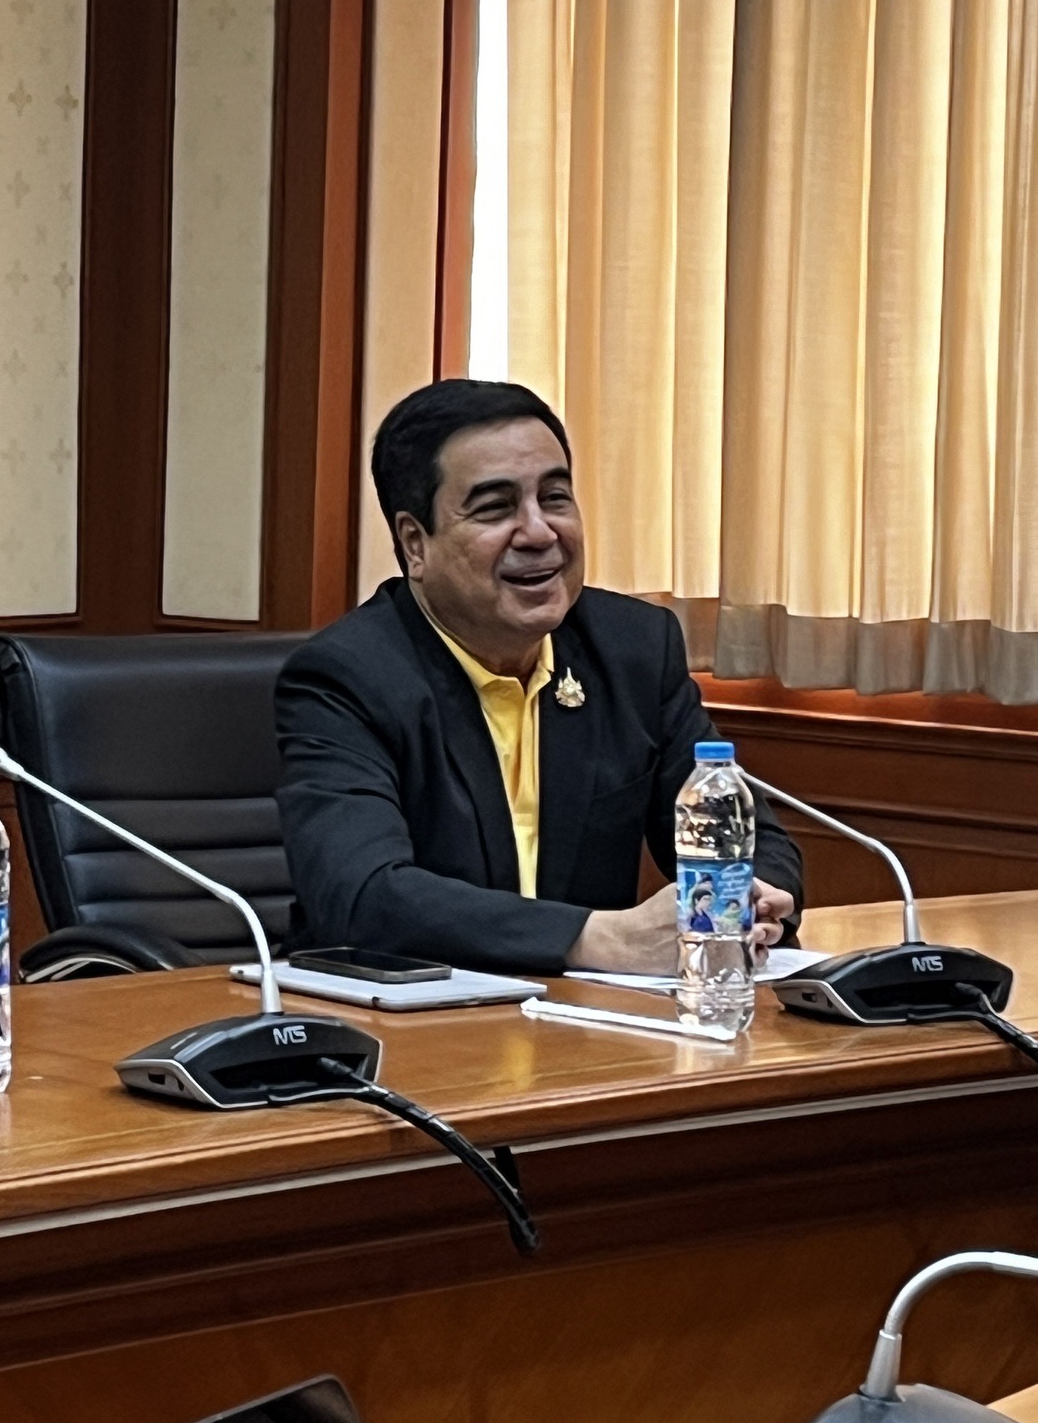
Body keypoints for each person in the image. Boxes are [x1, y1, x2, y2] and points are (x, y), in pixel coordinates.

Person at [275, 379, 804, 976]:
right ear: (415, 544)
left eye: (554, 497)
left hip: (590, 1013)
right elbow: (362, 897)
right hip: (408, 1012)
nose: (539, 532)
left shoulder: (632, 650)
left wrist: (754, 898)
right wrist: (597, 939)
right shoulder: (348, 677)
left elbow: (750, 837)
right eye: (495, 508)